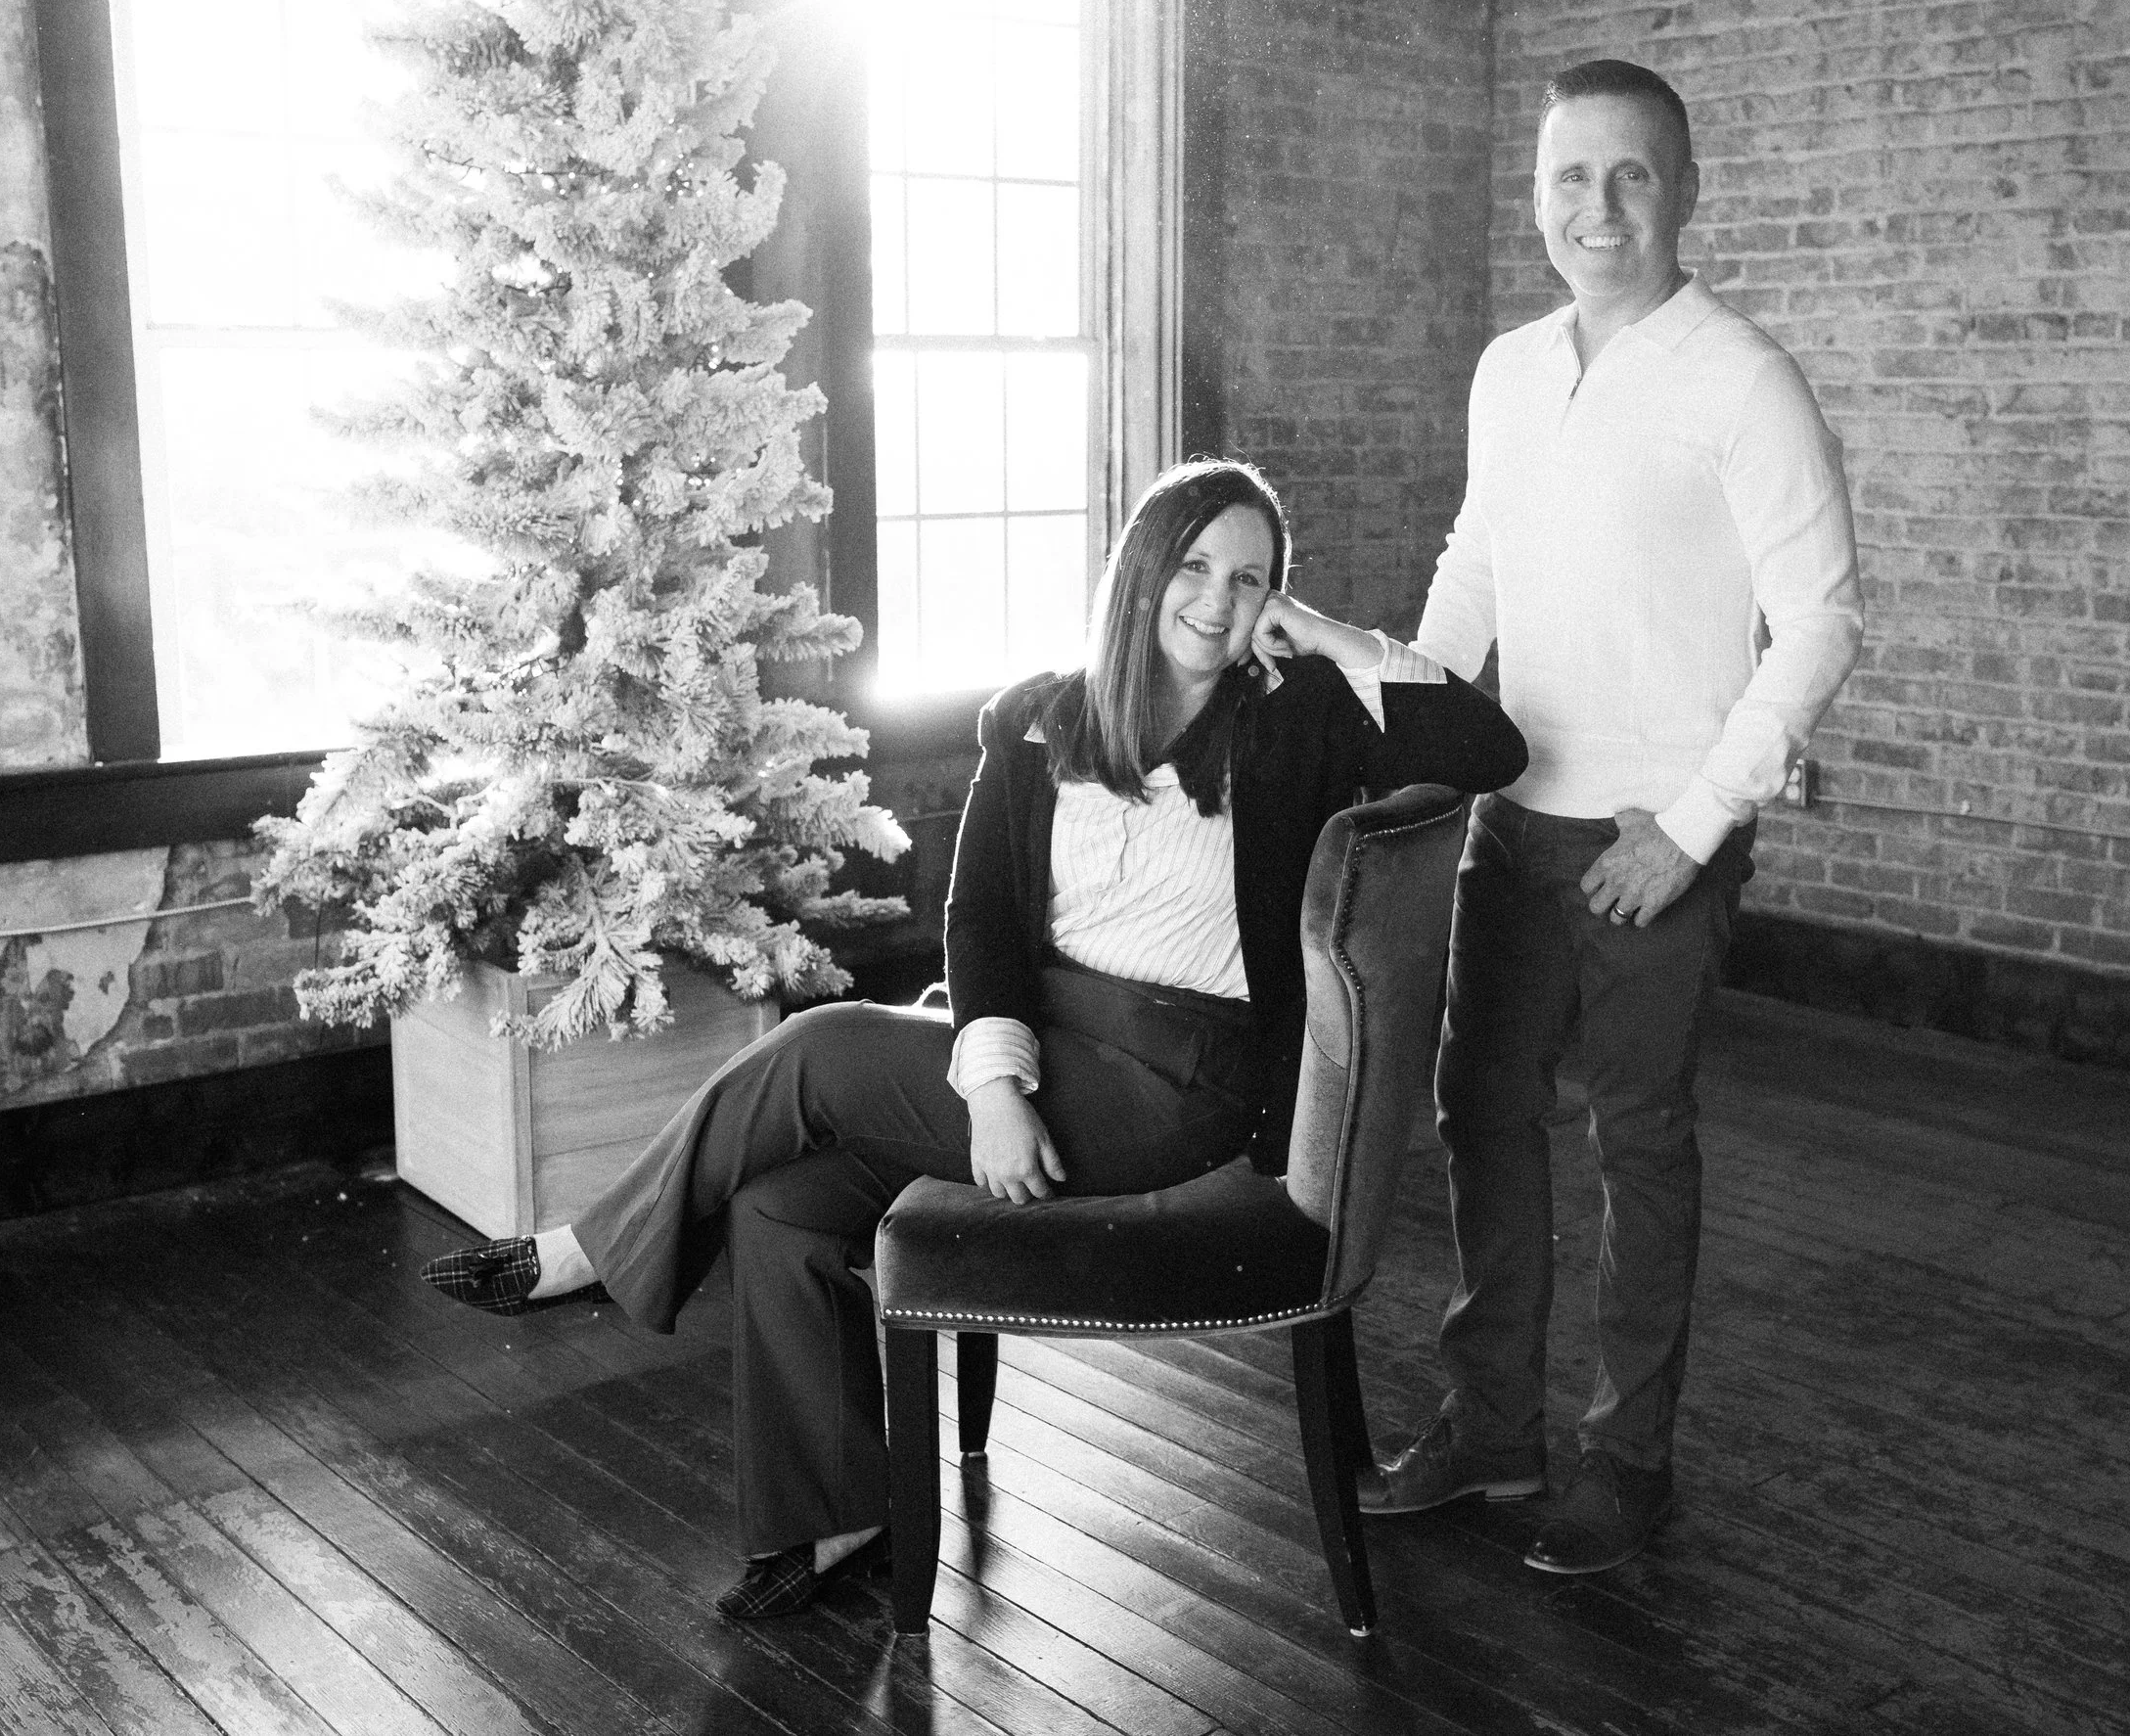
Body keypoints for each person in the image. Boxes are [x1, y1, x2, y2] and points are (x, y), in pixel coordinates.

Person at [423, 459, 1528, 1619]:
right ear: (1141, 574)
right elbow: (982, 920)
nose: (1218, 600)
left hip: (1177, 1082)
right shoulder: (1042, 721)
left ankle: (589, 1253)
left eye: (1250, 580)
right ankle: (836, 1514)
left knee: (823, 1046)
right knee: (781, 1207)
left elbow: (1489, 750)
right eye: (1195, 566)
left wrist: (1329, 635)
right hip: (1045, 1042)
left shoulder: (1297, 719)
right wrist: (995, 1083)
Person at [1337, 59, 1864, 1574]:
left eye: (1633, 173)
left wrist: (1691, 828)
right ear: (1538, 198)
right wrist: (1389, 698)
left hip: (1658, 835)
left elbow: (1821, 622)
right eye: (1572, 175)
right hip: (1514, 816)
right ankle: (1492, 1426)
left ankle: (1626, 1463)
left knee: (1638, 1139)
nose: (1601, 205)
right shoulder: (1508, 370)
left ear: (1685, 190)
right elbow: (1474, 569)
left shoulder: (1744, 379)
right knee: (1480, 1111)